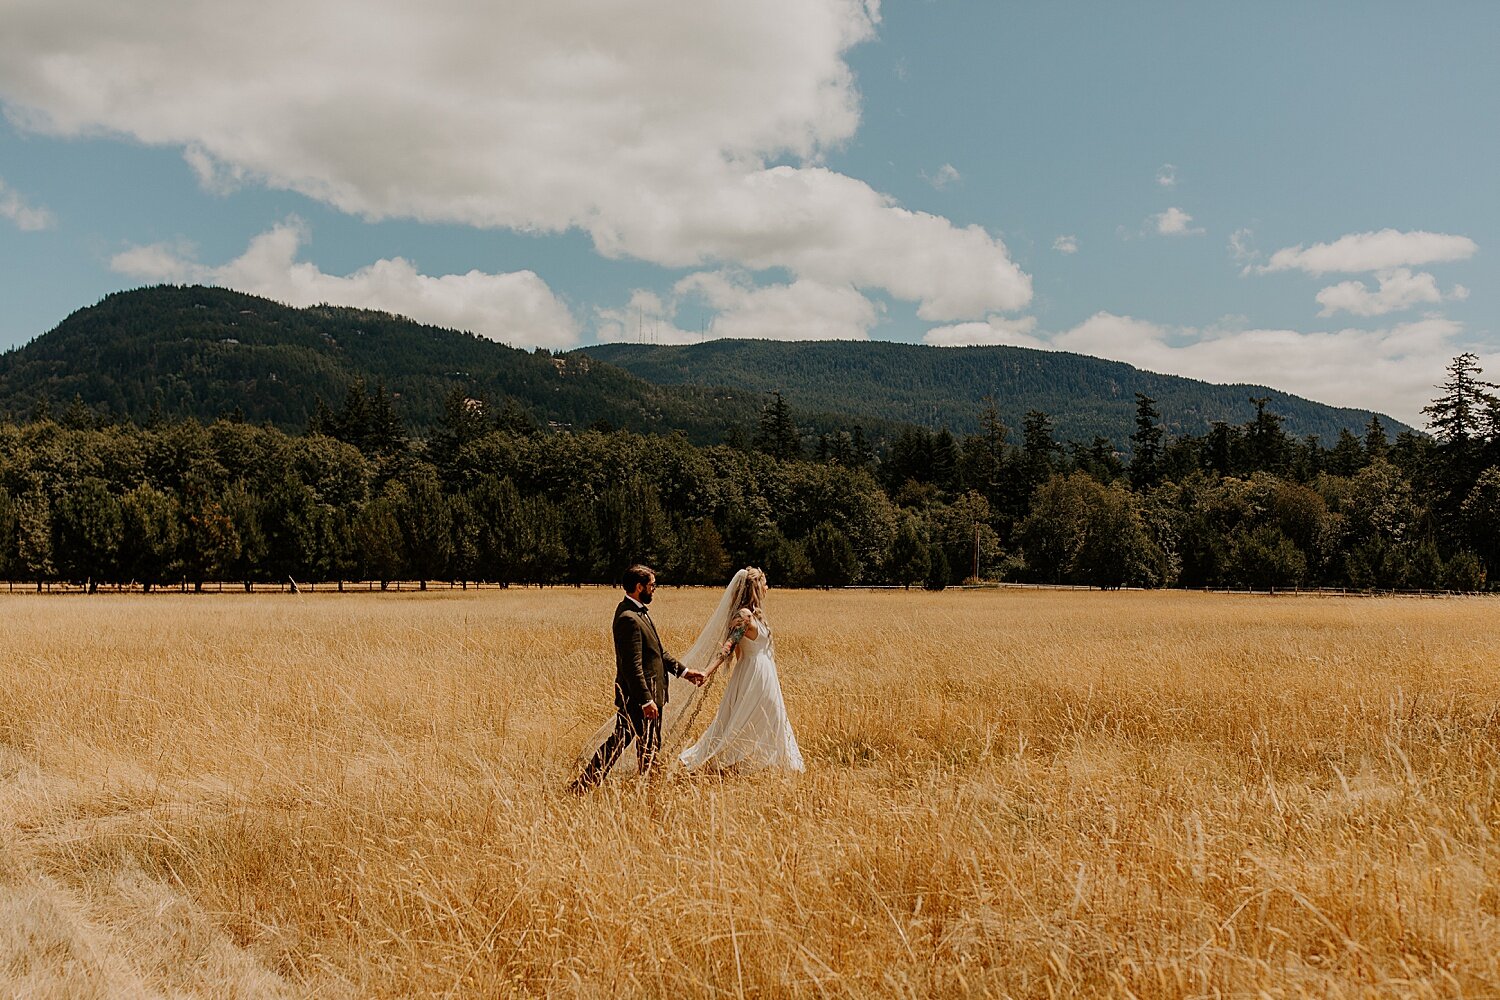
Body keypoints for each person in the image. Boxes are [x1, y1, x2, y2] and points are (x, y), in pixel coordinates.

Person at [572, 564, 705, 790]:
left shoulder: (638, 612)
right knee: (621, 743)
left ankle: (647, 789)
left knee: (648, 745)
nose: (654, 589)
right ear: (638, 586)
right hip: (639, 698)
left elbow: (658, 652)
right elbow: (631, 666)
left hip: (648, 696)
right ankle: (583, 787)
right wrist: (646, 700)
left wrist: (684, 672)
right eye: (652, 585)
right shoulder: (628, 618)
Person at [678, 567, 804, 773]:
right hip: (753, 674)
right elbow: (728, 647)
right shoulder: (744, 616)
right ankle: (727, 762)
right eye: (764, 583)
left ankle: (765, 763)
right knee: (746, 717)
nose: (767, 587)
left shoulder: (756, 614)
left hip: (765, 673)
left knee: (771, 716)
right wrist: (707, 672)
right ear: (755, 587)